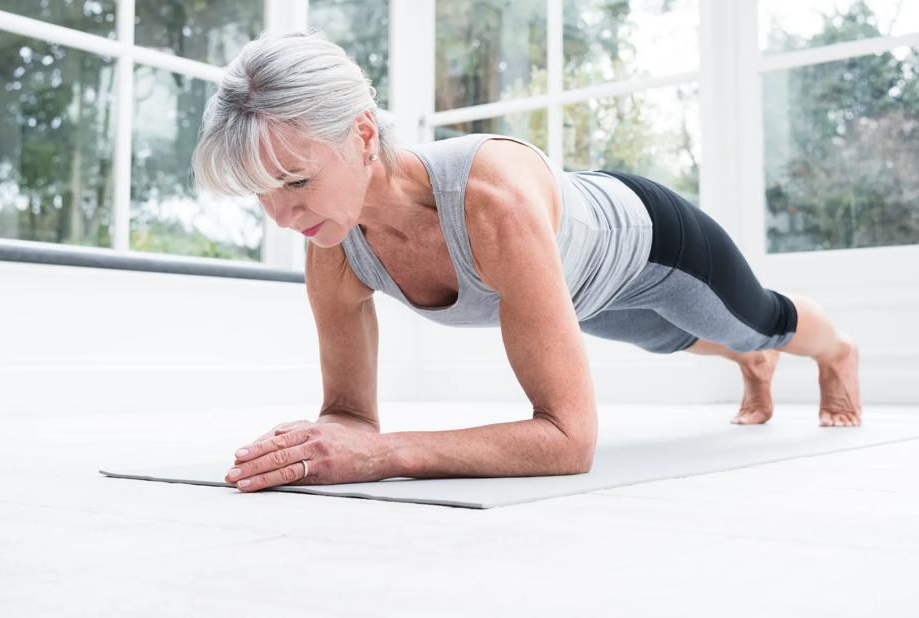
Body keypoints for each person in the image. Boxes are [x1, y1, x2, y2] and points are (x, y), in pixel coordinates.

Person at [192, 31, 862, 493]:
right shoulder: (332, 244)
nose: (280, 216)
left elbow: (569, 441)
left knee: (758, 323)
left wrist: (388, 454)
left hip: (652, 243)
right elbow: (348, 417)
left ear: (364, 135)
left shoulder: (493, 204)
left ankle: (835, 355)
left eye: (296, 181)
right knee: (675, 339)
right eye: (261, 194)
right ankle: (747, 366)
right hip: (579, 285)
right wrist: (322, 441)